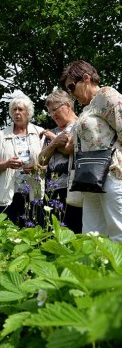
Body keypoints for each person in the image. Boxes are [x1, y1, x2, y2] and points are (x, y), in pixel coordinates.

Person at [60, 60, 122, 242]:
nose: (71, 94)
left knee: (118, 230)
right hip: (90, 178)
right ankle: (94, 270)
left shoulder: (107, 95)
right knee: (91, 235)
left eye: (71, 87)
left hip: (111, 172)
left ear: (86, 78)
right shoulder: (88, 108)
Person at [0, 94, 45, 227]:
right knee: (7, 231)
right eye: (14, 110)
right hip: (8, 191)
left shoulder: (39, 133)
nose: (17, 113)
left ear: (28, 112)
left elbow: (48, 164)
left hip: (33, 190)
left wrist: (37, 167)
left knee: (34, 230)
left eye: (20, 109)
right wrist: (6, 164)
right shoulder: (2, 135)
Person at [38, 89, 82, 233]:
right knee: (52, 231)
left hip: (74, 188)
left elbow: (70, 148)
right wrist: (54, 142)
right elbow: (42, 160)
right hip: (52, 189)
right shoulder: (53, 132)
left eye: (55, 109)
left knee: (74, 230)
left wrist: (52, 139)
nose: (53, 115)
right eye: (50, 112)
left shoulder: (80, 124)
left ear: (68, 106)